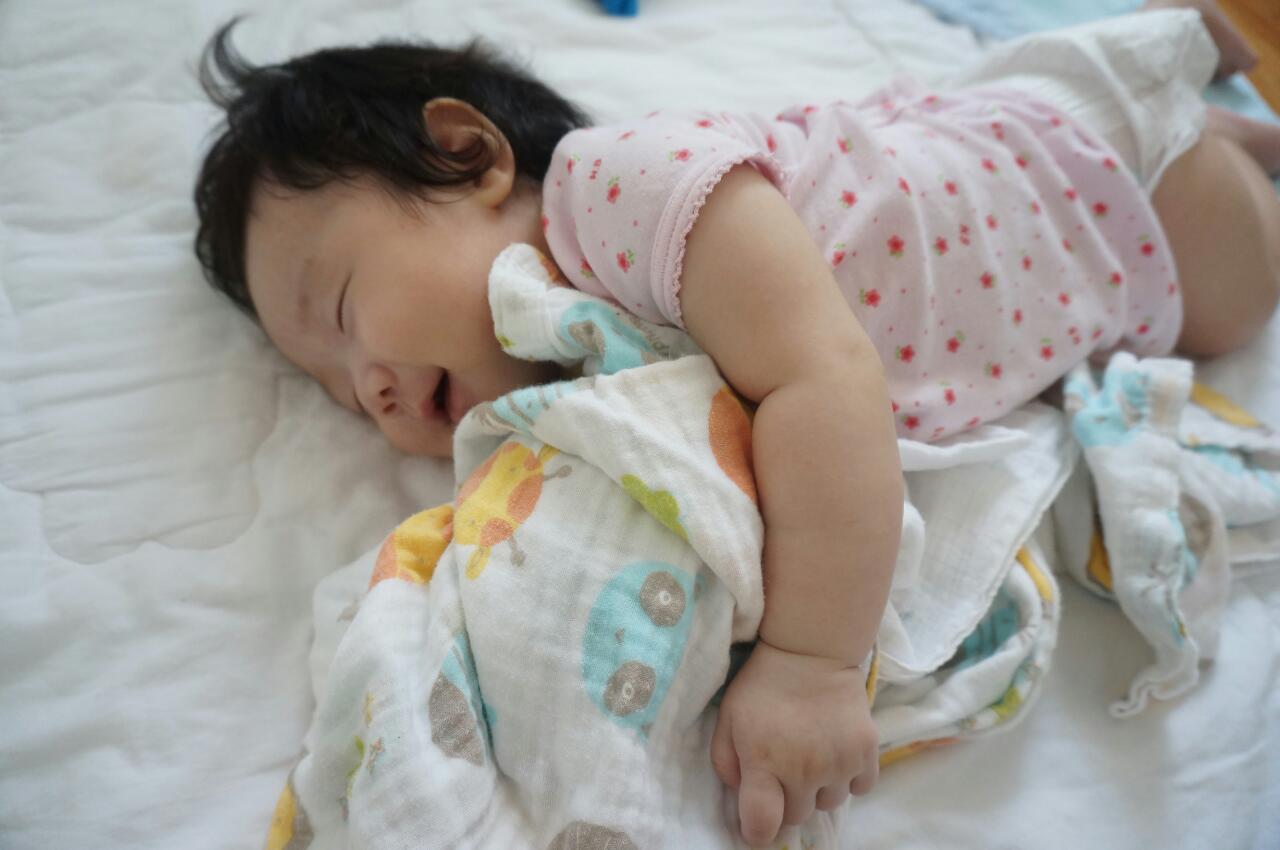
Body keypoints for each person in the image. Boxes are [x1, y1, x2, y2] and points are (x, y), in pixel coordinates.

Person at [192, 3, 1279, 846]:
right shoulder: (578, 373)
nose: (369, 389)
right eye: (338, 388)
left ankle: (1215, 122)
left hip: (1098, 191)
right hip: (1023, 203)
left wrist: (811, 664)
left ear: (467, 155)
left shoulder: (617, 191)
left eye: (344, 312)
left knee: (1241, 291)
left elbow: (822, 380)